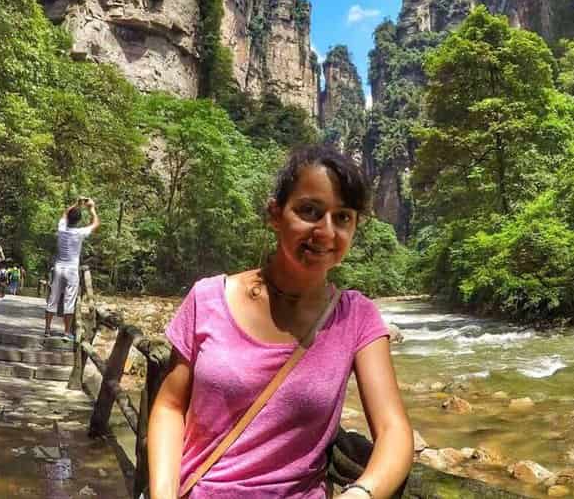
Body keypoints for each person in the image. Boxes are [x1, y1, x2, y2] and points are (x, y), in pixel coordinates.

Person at [147, 145, 413, 499]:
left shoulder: (356, 317)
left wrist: (361, 493)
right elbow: (170, 406)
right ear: (275, 214)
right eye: (309, 211)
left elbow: (394, 429)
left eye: (343, 217)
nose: (326, 232)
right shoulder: (208, 298)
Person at [44, 197, 100, 338]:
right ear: (79, 221)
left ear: (68, 218)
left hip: (58, 268)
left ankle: (47, 330)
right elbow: (96, 224)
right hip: (71, 270)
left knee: (53, 298)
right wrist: (91, 208)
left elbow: (64, 213)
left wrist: (77, 203)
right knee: (70, 299)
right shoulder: (79, 232)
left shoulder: (61, 229)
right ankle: (66, 332)